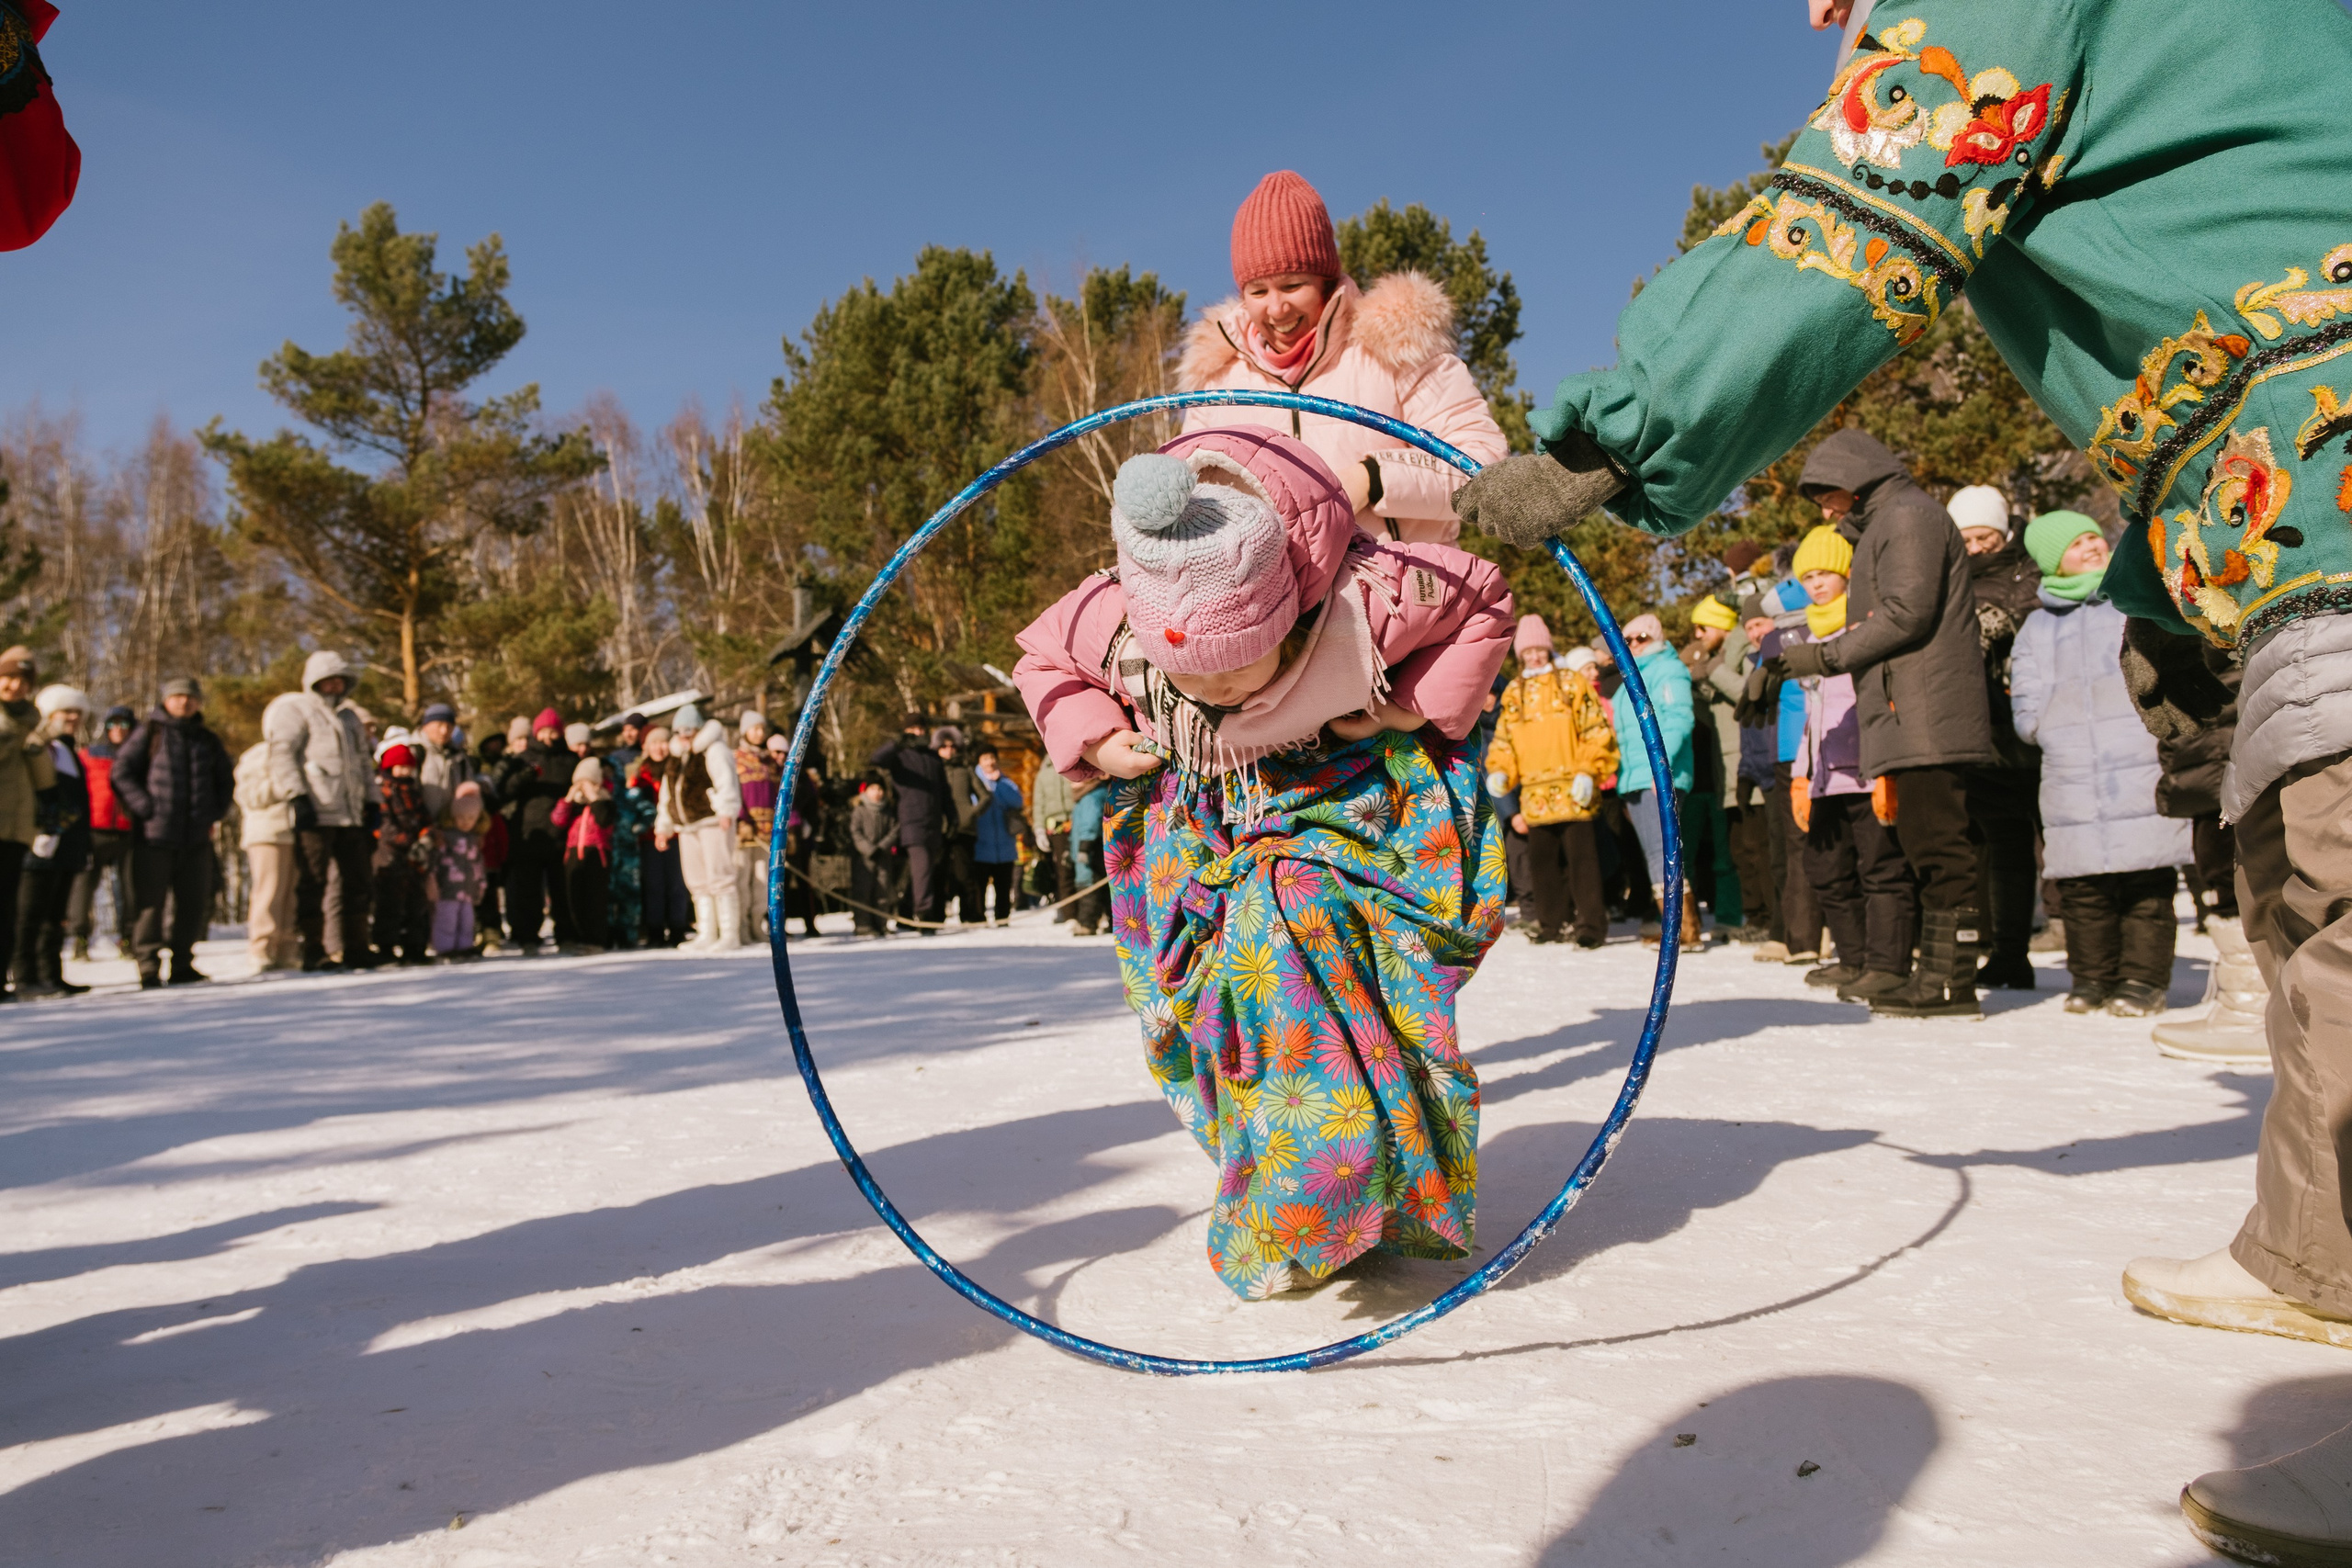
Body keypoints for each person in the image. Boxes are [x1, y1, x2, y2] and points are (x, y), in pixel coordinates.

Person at [1444, 0, 2352, 1539]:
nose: (1821, 9)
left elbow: (1851, 223)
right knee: (2311, 890)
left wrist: (1625, 439)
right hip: (2282, 486)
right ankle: (2318, 1251)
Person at [1012, 429, 1512, 1299]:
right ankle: (1292, 1180)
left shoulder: (1372, 598)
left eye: (1240, 672)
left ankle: (1330, 1183)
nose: (1218, 693)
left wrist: (1411, 711)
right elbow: (1041, 662)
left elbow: (1486, 599)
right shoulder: (1113, 621)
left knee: (1290, 932)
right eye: (1193, 679)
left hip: (1344, 801)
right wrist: (1095, 730)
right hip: (1198, 817)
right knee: (1219, 1003)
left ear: (1287, 610)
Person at [1178, 171, 1508, 544]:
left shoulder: (1396, 350)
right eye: (1257, 291)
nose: (1277, 308)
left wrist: (1373, 478)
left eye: (1293, 285)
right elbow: (1186, 498)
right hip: (1267, 596)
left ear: (1326, 281)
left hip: (1401, 591)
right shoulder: (1220, 383)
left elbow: (1482, 468)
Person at [2009, 513, 2188, 1016]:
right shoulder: (2037, 625)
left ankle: (2142, 980)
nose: (2092, 546)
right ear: (2051, 562)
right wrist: (2035, 723)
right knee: (2082, 885)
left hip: (2135, 758)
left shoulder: (2129, 602)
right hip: (2069, 769)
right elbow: (2024, 685)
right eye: (2076, 543)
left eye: (2094, 536)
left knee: (2146, 881)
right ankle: (2090, 977)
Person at [1786, 526, 1917, 1001]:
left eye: (1826, 573)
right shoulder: (1809, 635)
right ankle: (1854, 957)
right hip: (1825, 776)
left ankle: (1888, 964)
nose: (1817, 584)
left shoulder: (1865, 627)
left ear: (1847, 574)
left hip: (1866, 770)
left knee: (1881, 869)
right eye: (1809, 577)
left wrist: (1888, 765)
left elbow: (1886, 700)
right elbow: (1812, 716)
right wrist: (1802, 776)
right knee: (1825, 870)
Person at [1951, 484, 2046, 990]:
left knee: (2058, 837)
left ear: (2003, 531)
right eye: (1965, 539)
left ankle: (2086, 942)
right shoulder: (1951, 578)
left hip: (2039, 720)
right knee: (2003, 844)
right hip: (1987, 729)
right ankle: (2009, 950)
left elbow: (2050, 606)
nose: (1974, 548)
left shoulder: (2029, 567)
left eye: (1983, 536)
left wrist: (2008, 621)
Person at [2150, 648, 2263, 1063]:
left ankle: (2253, 1012)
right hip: (2214, 741)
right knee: (2222, 873)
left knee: (2241, 873)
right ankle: (2251, 1004)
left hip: (2233, 733)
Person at [1486, 615, 1619, 947]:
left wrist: (1589, 770)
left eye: (1538, 649)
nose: (1533, 656)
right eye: (1526, 651)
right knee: (1541, 863)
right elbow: (1505, 739)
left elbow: (1595, 729)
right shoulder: (1515, 692)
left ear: (1548, 648)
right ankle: (1550, 923)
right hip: (1534, 794)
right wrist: (1501, 769)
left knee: (1583, 862)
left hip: (1574, 788)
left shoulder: (1573, 684)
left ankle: (1590, 925)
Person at [112, 677, 233, 988]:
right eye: (178, 696)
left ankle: (182, 963)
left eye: (190, 697)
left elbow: (225, 780)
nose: (184, 702)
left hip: (196, 836)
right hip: (153, 836)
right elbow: (121, 772)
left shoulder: (207, 739)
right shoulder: (149, 734)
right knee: (150, 903)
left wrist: (214, 812)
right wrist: (145, 807)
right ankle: (149, 966)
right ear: (166, 700)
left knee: (193, 901)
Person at [265, 651, 378, 973]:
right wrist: (297, 797)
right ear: (314, 681)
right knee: (314, 881)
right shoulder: (297, 711)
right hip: (317, 811)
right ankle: (314, 948)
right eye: (329, 679)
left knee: (358, 880)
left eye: (340, 679)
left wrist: (372, 801)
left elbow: (363, 764)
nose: (335, 685)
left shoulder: (350, 717)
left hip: (351, 813)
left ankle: (356, 945)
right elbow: (282, 754)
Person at [1611, 613, 1699, 951]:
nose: (1633, 645)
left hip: (1657, 776)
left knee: (1662, 852)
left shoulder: (1667, 670)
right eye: (1628, 640)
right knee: (1655, 853)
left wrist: (1661, 768)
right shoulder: (1632, 676)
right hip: (1634, 777)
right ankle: (1680, 927)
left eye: (1641, 638)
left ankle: (1683, 931)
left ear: (1657, 638)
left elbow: (1678, 718)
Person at [11, 685, 91, 998]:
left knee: (55, 915)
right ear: (48, 714)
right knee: (29, 913)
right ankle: (24, 976)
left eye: (77, 713)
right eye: (65, 712)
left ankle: (51, 974)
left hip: (67, 844)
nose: (72, 718)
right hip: (40, 842)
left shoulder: (68, 750)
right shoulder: (38, 746)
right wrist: (41, 831)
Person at [655, 704, 741, 950]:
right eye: (679, 731)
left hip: (713, 821)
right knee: (696, 880)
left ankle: (729, 933)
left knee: (720, 876)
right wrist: (664, 826)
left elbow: (727, 782)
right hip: (686, 825)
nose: (684, 736)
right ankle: (707, 932)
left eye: (689, 731)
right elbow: (667, 794)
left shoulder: (714, 750)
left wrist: (726, 810)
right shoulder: (676, 757)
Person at [0, 646, 54, 1000]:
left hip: (16, 827)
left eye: (23, 679)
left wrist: (37, 746)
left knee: (6, 907)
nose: (15, 685)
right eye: (8, 677)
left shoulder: (34, 721)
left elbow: (43, 779)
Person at [501, 707, 573, 953]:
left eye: (553, 732)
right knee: (528, 891)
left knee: (561, 890)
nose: (548, 737)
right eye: (543, 731)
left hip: (560, 834)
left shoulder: (569, 759)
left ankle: (566, 935)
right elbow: (506, 790)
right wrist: (524, 777)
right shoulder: (522, 759)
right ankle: (528, 937)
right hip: (529, 834)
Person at [869, 715, 950, 930]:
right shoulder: (899, 755)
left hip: (933, 823)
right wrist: (897, 743)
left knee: (921, 872)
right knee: (922, 871)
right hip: (911, 823)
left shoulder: (933, 757)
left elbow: (944, 790)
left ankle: (905, 911)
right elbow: (876, 759)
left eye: (921, 728)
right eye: (913, 729)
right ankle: (924, 916)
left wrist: (951, 816)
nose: (919, 732)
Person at [67, 704, 134, 962]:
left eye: (124, 724)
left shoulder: (140, 756)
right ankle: (80, 939)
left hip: (128, 832)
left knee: (129, 890)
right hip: (95, 831)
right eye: (112, 724)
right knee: (83, 887)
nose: (118, 729)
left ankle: (127, 939)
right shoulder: (89, 755)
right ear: (105, 728)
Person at [232, 737, 300, 973]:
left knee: (293, 894)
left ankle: (287, 947)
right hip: (268, 834)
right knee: (269, 891)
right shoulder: (257, 755)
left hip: (296, 832)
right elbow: (249, 796)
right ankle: (262, 947)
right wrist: (288, 785)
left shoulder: (301, 752)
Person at [366, 742, 432, 964]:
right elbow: (385, 827)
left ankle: (414, 946)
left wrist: (426, 838)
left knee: (417, 902)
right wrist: (409, 842)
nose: (404, 771)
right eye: (400, 766)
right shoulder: (383, 790)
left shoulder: (414, 791)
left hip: (415, 856)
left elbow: (425, 819)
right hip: (389, 856)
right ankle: (385, 947)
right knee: (389, 902)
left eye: (408, 767)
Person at [550, 755, 616, 953]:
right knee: (573, 897)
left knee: (595, 899)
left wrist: (594, 797)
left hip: (597, 854)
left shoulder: (605, 801)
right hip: (572, 856)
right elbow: (557, 821)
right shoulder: (574, 806)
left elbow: (605, 820)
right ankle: (576, 937)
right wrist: (569, 799)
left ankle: (595, 939)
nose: (583, 786)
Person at [633, 726, 689, 946]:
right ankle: (654, 929)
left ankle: (677, 927)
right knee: (653, 885)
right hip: (648, 838)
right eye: (654, 743)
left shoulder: (677, 768)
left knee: (677, 883)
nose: (659, 747)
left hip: (676, 835)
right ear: (646, 747)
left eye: (663, 742)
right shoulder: (639, 774)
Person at [426, 780, 489, 959]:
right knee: (447, 919)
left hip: (468, 888)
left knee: (467, 920)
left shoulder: (475, 839)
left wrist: (481, 884)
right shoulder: (445, 837)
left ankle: (464, 946)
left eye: (470, 819)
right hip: (447, 888)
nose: (465, 823)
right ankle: (445, 948)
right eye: (461, 818)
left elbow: (478, 863)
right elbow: (435, 860)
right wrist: (432, 879)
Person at [734, 711, 780, 942]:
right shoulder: (736, 758)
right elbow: (734, 793)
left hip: (767, 831)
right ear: (745, 731)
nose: (759, 733)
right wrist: (742, 819)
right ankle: (740, 924)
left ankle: (756, 923)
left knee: (763, 880)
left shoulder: (769, 762)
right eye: (755, 729)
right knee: (742, 878)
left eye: (762, 729)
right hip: (744, 830)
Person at [967, 745, 1023, 926]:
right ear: (979, 762)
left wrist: (998, 784)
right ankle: (979, 917)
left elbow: (1017, 801)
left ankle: (1002, 917)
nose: (990, 762)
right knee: (980, 885)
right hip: (981, 843)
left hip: (1004, 843)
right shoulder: (973, 781)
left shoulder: (1005, 781)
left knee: (1003, 884)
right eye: (985, 758)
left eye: (992, 758)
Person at [847, 773, 899, 938]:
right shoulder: (859, 810)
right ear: (865, 791)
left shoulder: (888, 811)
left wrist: (882, 847)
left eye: (880, 789)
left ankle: (881, 923)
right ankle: (863, 924)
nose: (877, 792)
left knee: (882, 891)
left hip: (883, 858)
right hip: (863, 859)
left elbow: (894, 831)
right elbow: (855, 833)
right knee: (863, 891)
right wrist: (869, 849)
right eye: (873, 789)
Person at [1030, 750, 1077, 921]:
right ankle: (1068, 912)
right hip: (1055, 828)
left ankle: (1086, 912)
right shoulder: (1043, 774)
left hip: (1075, 821)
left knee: (1080, 867)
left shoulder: (1073, 764)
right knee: (1062, 871)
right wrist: (1039, 830)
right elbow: (1038, 804)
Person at [413, 702, 476, 820]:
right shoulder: (414, 752)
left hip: (454, 827)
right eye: (440, 725)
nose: (444, 731)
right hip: (422, 828)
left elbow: (470, 793)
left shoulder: (459, 757)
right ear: (426, 726)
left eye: (449, 726)